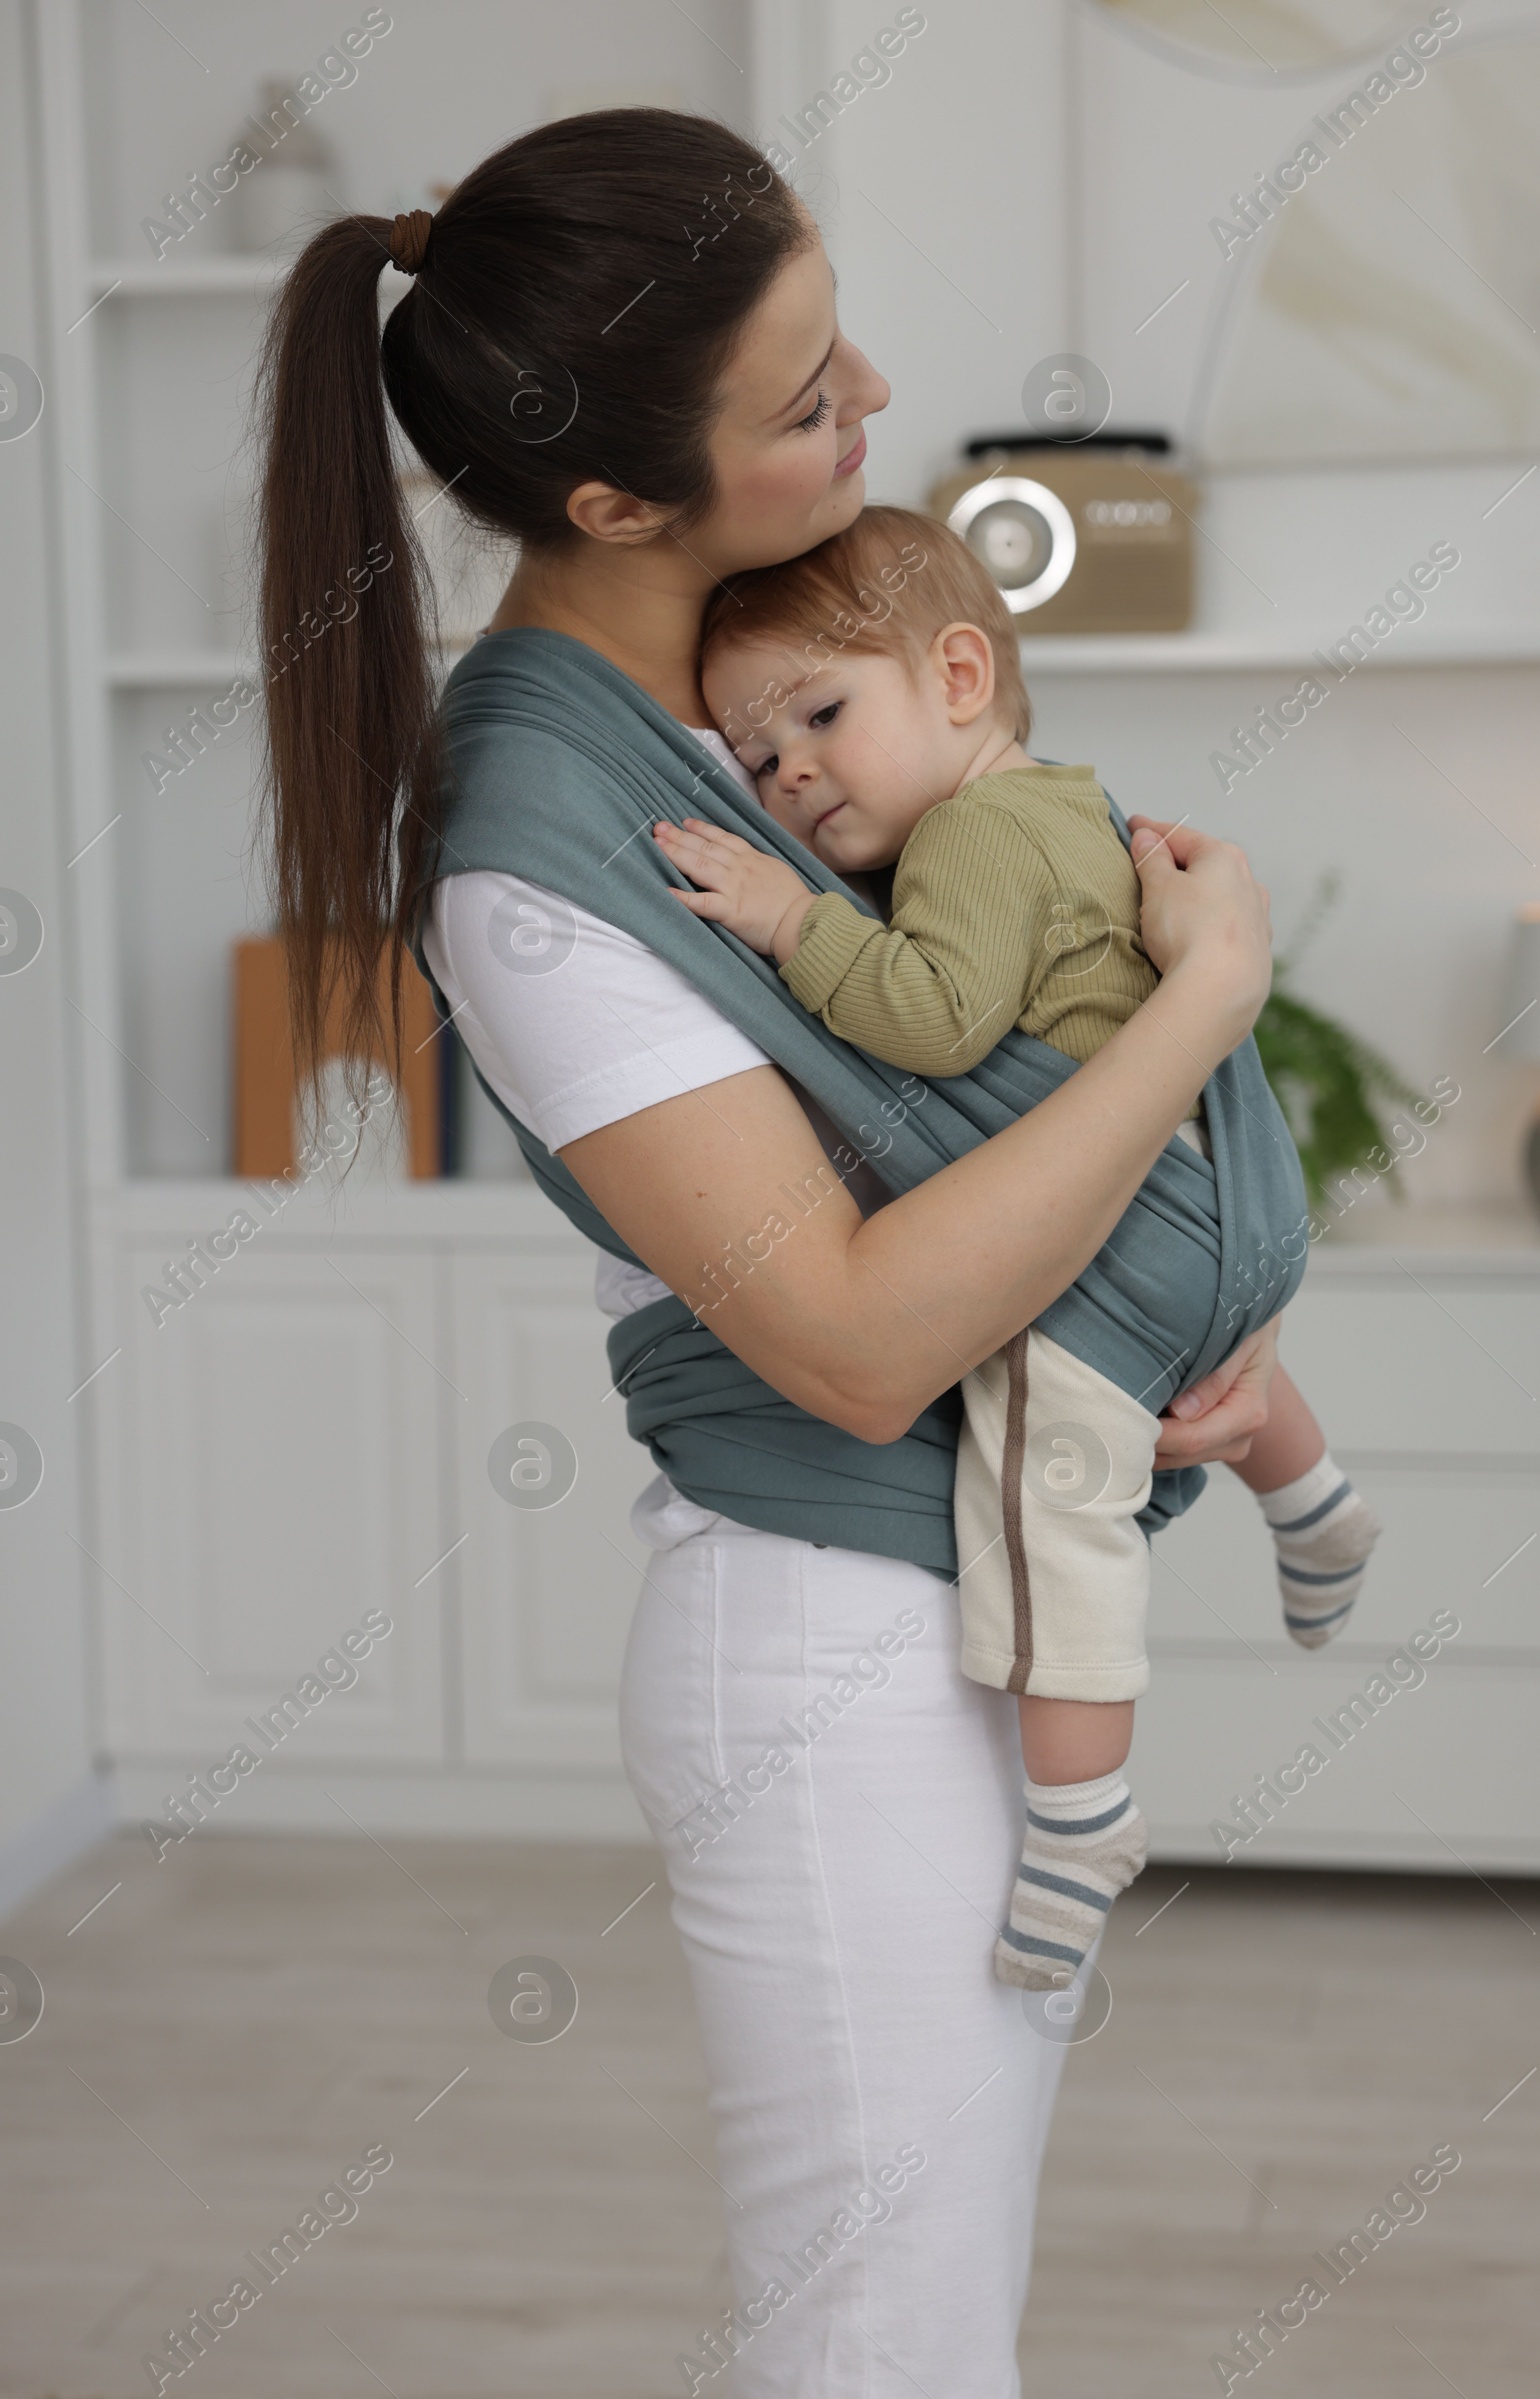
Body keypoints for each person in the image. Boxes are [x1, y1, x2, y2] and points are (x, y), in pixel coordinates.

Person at [258, 107, 1282, 2399]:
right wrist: (1213, 1000)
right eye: (807, 401)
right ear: (614, 500)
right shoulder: (535, 849)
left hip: (940, 1608)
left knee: (937, 2313)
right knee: (883, 2345)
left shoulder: (733, 723)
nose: (877, 409)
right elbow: (836, 1336)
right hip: (826, 1658)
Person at [656, 505, 1381, 1990]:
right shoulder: (1071, 804)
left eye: (823, 713)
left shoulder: (973, 840)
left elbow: (934, 1018)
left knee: (1050, 1529)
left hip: (1110, 1265)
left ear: (964, 677)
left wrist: (796, 924)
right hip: (1224, 1218)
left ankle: (1080, 1819)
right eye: (758, 755)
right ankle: (1315, 1501)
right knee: (1220, 1368)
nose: (790, 771)